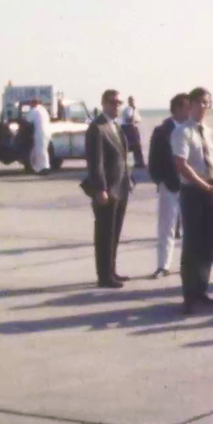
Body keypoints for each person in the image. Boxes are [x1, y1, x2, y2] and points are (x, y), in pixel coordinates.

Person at [171, 87, 213, 313]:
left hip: (212, 192)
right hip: (194, 193)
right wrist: (205, 187)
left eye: (209, 103)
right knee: (192, 244)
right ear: (192, 104)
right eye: (202, 102)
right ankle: (190, 296)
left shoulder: (211, 133)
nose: (206, 107)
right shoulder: (182, 133)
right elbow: (181, 165)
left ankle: (203, 292)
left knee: (208, 243)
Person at [82, 89, 133, 288]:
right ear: (103, 103)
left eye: (119, 102)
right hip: (106, 189)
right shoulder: (97, 128)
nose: (116, 106)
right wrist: (100, 188)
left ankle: (111, 270)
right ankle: (104, 276)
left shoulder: (116, 127)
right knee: (104, 232)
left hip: (121, 188)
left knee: (115, 232)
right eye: (112, 102)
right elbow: (96, 163)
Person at [148, 93, 190, 278]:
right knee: (167, 227)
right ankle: (163, 266)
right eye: (188, 107)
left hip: (191, 185)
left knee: (192, 228)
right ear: (179, 108)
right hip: (170, 185)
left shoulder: (193, 129)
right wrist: (161, 181)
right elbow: (153, 160)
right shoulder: (162, 131)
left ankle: (189, 264)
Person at [25, 98, 52, 174]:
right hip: (47, 131)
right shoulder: (43, 109)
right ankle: (44, 167)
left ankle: (43, 169)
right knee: (44, 150)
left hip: (40, 132)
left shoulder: (35, 110)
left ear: (34, 103)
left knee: (40, 150)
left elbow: (28, 120)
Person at [122, 96, 146, 169]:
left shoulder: (134, 109)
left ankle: (139, 162)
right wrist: (133, 120)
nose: (132, 102)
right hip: (128, 127)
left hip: (133, 127)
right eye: (131, 101)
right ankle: (137, 162)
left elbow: (138, 119)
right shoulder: (129, 109)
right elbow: (129, 119)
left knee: (136, 145)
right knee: (132, 145)